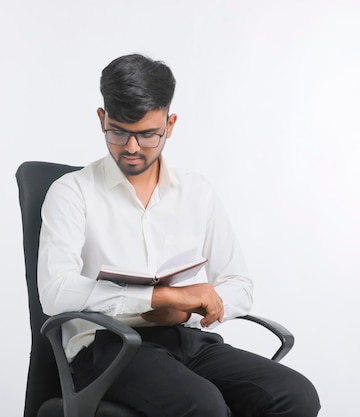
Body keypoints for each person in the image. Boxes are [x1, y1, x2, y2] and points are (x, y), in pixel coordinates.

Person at [38, 53, 320, 417]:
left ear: (169, 125)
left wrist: (195, 306)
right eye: (118, 131)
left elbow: (239, 284)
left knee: (294, 394)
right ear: (101, 118)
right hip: (109, 347)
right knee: (203, 407)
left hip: (188, 339)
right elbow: (55, 291)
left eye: (148, 134)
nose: (132, 147)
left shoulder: (197, 191)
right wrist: (158, 297)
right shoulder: (71, 192)